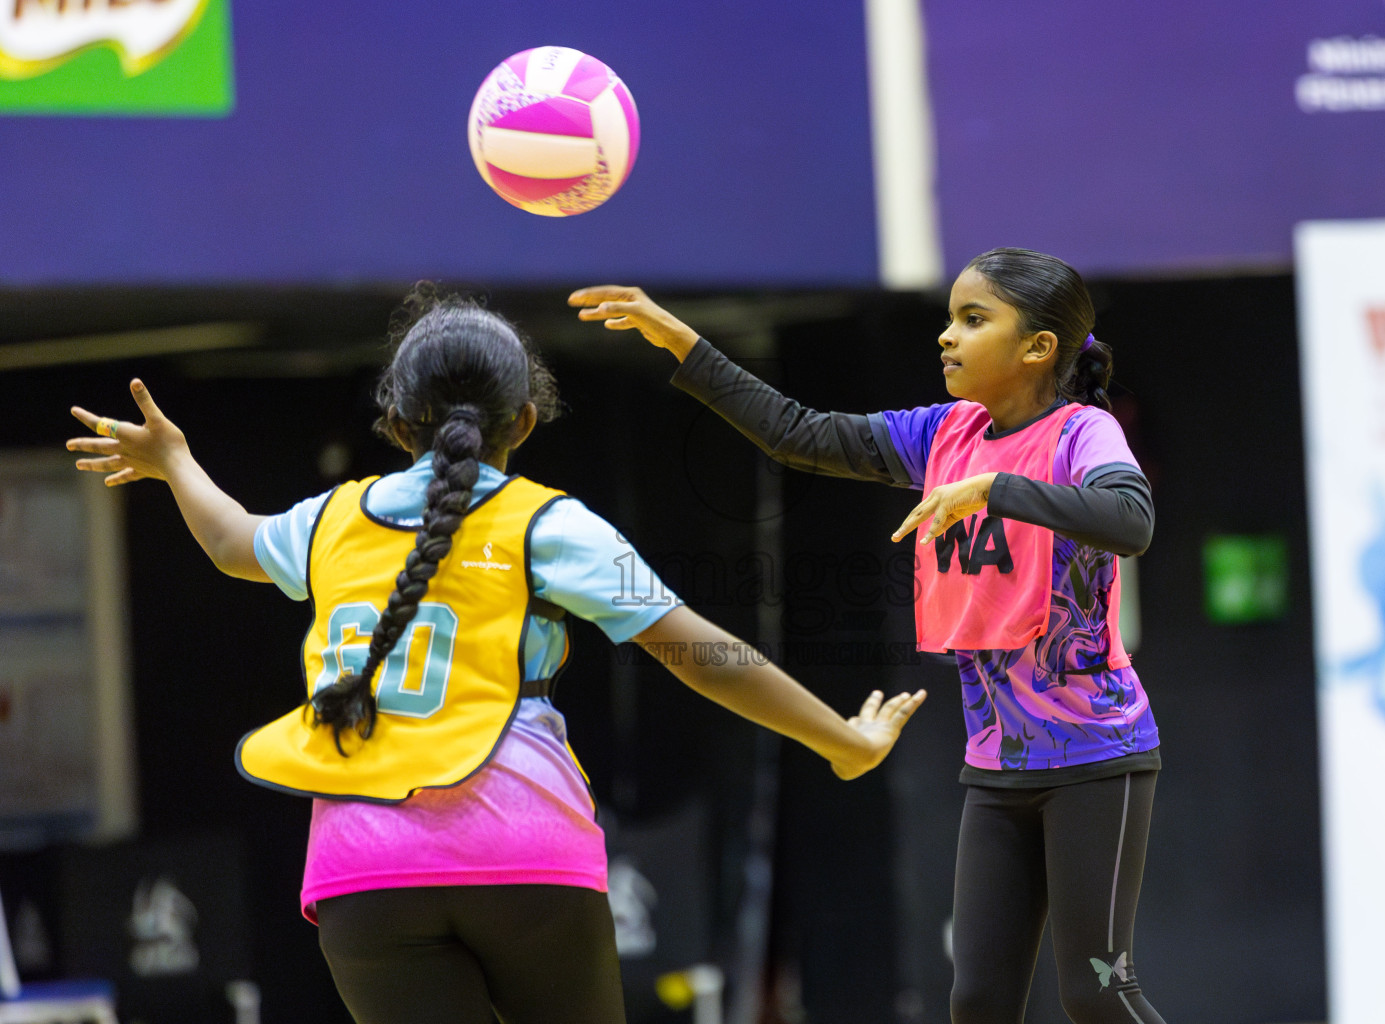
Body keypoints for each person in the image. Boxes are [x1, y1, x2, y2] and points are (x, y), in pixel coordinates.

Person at [66, 288, 926, 1024]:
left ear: (395, 420)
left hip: (362, 866)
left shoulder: (330, 520)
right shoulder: (548, 522)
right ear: (525, 418)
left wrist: (175, 462)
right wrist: (839, 741)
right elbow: (700, 652)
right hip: (523, 842)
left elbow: (231, 543)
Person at [570, 248, 1166, 1024]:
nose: (946, 337)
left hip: (1098, 756)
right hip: (995, 766)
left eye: (972, 319)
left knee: (1096, 992)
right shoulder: (942, 433)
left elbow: (1132, 521)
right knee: (979, 1000)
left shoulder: (1083, 433)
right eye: (949, 317)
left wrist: (995, 489)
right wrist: (683, 341)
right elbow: (797, 434)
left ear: (1039, 347)